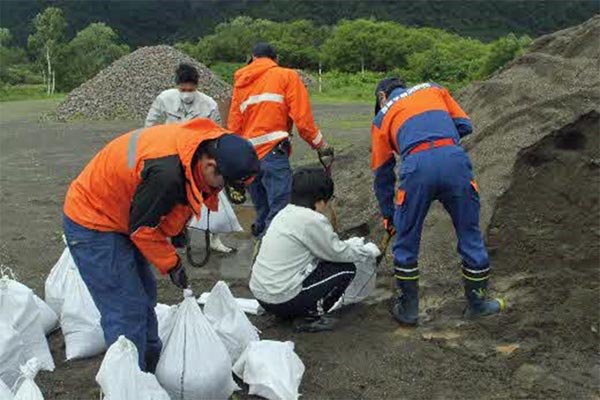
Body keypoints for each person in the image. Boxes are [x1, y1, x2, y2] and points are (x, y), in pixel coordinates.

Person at [62, 118, 259, 372]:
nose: (221, 191)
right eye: (224, 184)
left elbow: (181, 194)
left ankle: (151, 367)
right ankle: (130, 382)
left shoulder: (208, 146)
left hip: (123, 212)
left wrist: (176, 229)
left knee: (145, 295)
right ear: (210, 166)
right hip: (94, 221)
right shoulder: (166, 173)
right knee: (126, 310)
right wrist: (172, 263)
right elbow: (143, 229)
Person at [371, 77, 504, 326]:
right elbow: (465, 125)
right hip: (454, 159)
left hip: (416, 167)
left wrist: (389, 215)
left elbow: (382, 173)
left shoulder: (381, 116)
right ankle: (477, 304)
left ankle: (409, 310)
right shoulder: (432, 88)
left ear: (381, 97)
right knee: (470, 233)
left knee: (406, 242)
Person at [249, 168, 379, 332]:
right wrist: (366, 251)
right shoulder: (312, 220)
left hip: (261, 295)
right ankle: (309, 317)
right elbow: (338, 253)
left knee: (321, 267)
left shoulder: (284, 214)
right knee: (345, 270)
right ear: (320, 201)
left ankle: (288, 311)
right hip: (279, 299)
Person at [228, 42, 334, 238]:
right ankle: (272, 258)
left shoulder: (241, 83)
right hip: (273, 153)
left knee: (263, 211)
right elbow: (303, 120)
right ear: (275, 60)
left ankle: (260, 254)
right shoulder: (286, 75)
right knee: (280, 213)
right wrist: (320, 145)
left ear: (252, 58)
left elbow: (234, 126)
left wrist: (235, 162)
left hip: (248, 157)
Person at [145, 63, 235, 253]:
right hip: (172, 154)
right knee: (173, 197)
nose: (187, 93)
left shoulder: (208, 104)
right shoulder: (164, 99)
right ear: (177, 86)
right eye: (183, 89)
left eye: (190, 89)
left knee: (213, 195)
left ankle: (214, 237)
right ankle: (175, 233)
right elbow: (150, 125)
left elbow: (216, 133)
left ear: (197, 87)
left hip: (199, 156)